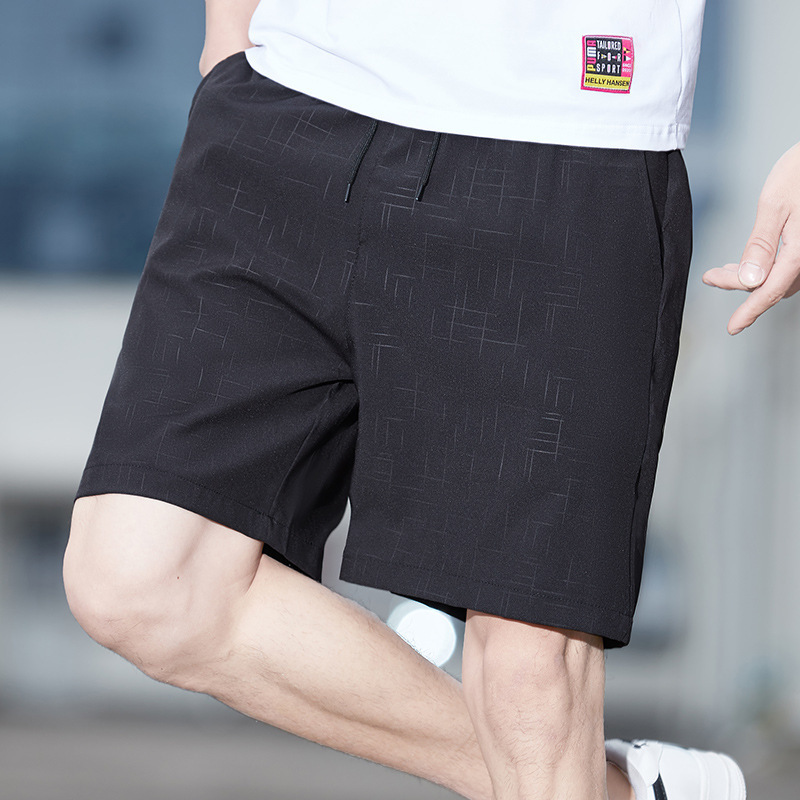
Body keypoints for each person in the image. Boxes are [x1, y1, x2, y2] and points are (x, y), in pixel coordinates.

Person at [62, 1, 799, 798]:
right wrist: (227, 44)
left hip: (566, 144)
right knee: (142, 581)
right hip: (286, 105)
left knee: (530, 675)